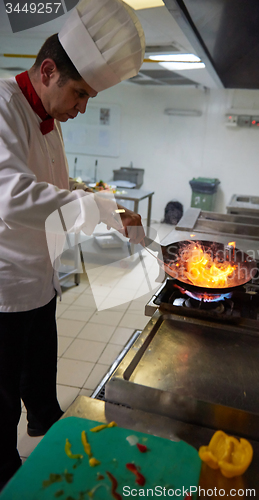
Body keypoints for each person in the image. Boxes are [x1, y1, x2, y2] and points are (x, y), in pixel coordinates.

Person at [0, 0, 145, 489]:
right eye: (80, 94)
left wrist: (101, 203)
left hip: (40, 282)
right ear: (47, 71)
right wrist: (95, 209)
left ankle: (46, 423)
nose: (82, 108)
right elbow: (12, 196)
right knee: (1, 399)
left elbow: (58, 193)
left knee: (40, 375)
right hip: (3, 290)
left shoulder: (51, 124)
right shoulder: (2, 106)